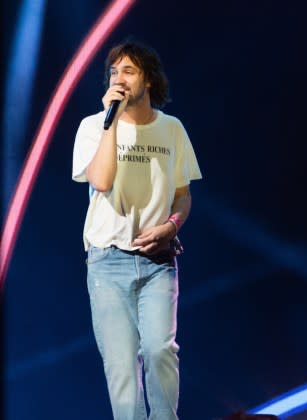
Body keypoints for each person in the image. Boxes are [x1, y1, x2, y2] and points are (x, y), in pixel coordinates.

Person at [72, 40, 202, 419]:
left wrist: (172, 225)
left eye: (128, 71)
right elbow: (101, 180)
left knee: (161, 350)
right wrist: (110, 121)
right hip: (107, 263)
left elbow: (183, 195)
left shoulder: (171, 129)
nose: (119, 78)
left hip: (157, 260)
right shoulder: (93, 127)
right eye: (114, 72)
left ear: (148, 79)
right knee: (121, 367)